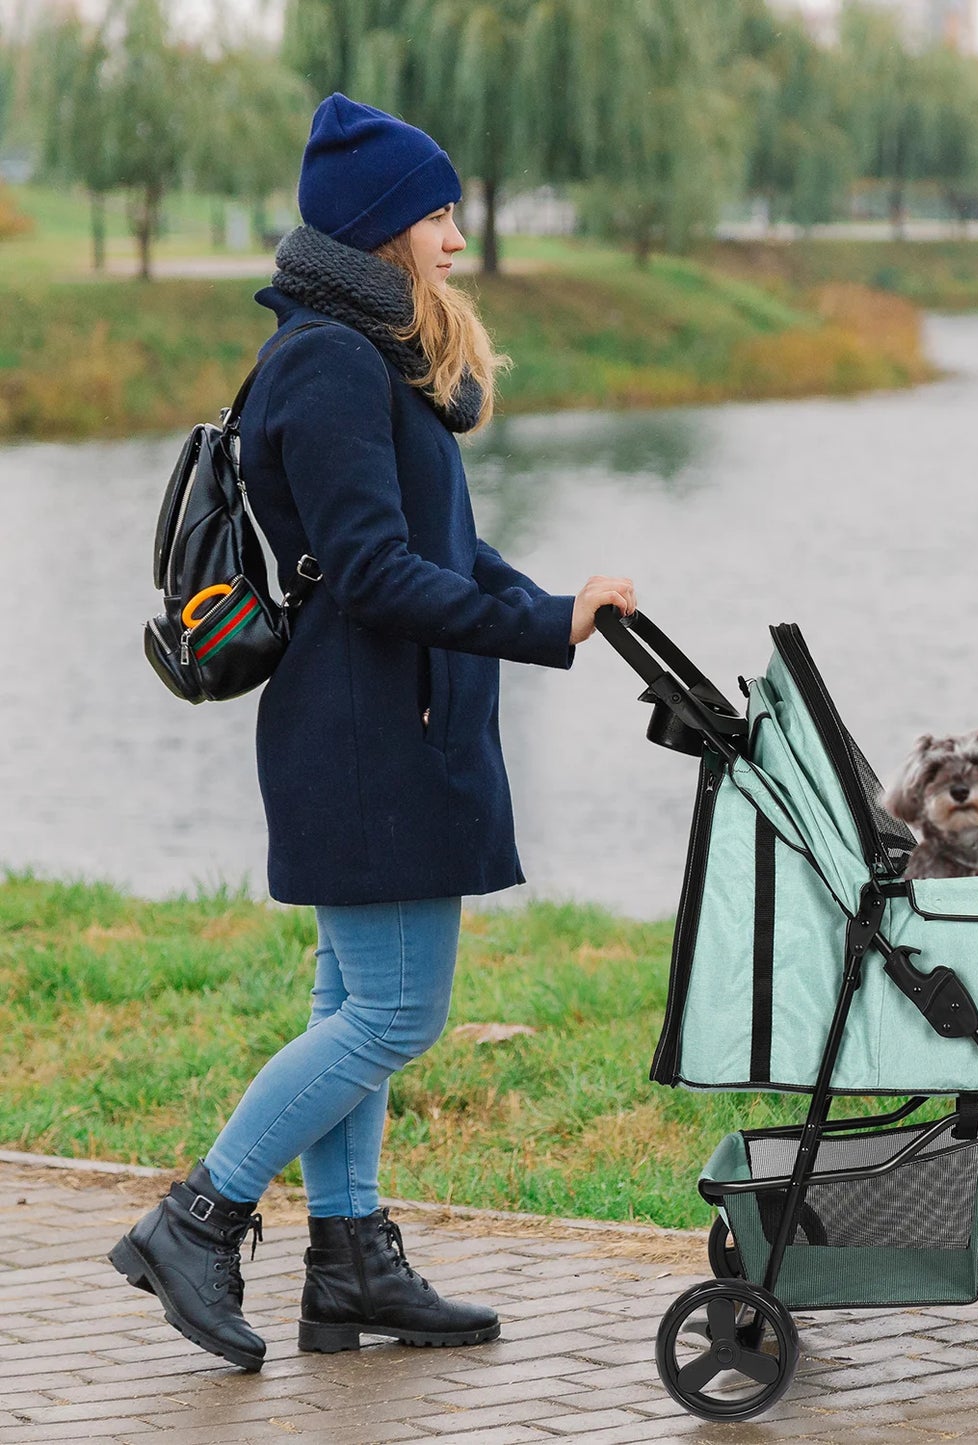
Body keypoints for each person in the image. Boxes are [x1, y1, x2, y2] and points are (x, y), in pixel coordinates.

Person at [108, 94, 635, 1373]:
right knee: (394, 1015)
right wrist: (537, 626)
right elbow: (376, 575)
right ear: (383, 227)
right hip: (366, 732)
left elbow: (440, 550)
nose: (454, 238)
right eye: (438, 213)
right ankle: (199, 1216)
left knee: (357, 999)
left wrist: (556, 610)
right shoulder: (331, 363)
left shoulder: (358, 352)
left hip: (381, 721)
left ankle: (347, 1266)